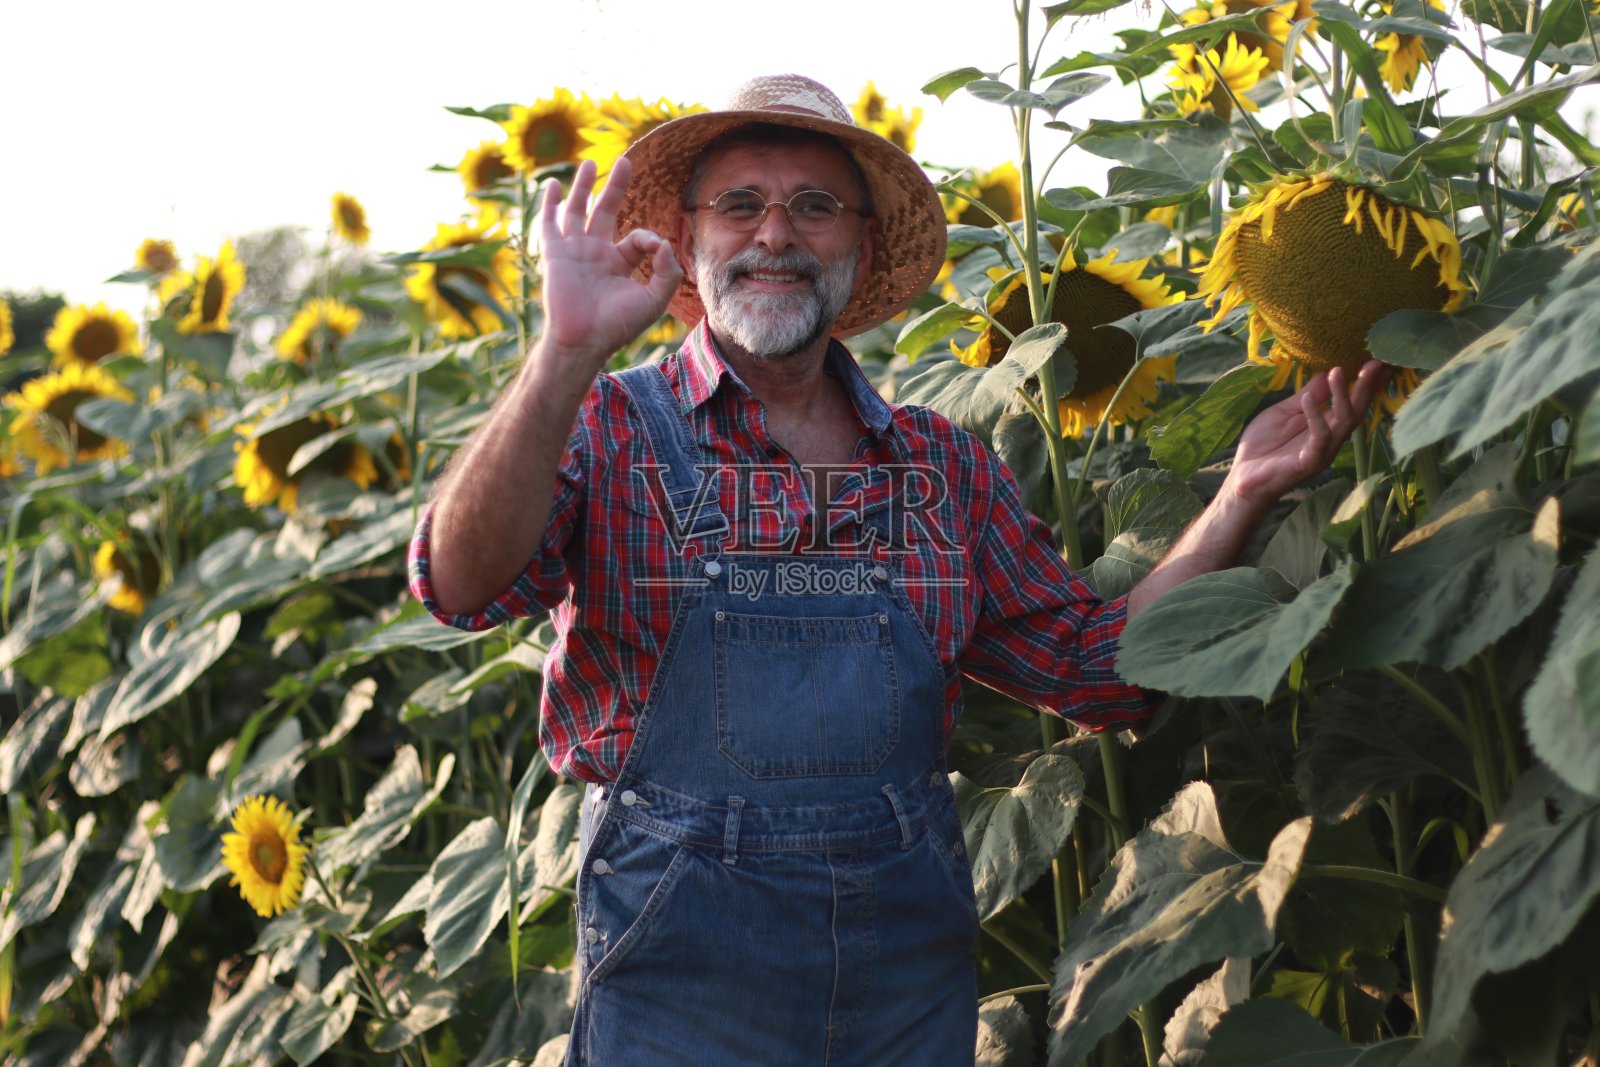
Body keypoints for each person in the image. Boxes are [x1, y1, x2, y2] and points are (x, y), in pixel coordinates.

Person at [408, 74, 1383, 1067]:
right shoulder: (609, 427)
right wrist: (561, 353)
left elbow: (1098, 670)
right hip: (682, 1000)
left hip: (906, 998)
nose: (775, 234)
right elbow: (460, 584)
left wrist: (1239, 493)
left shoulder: (941, 465)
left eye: (815, 205)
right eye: (739, 203)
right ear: (690, 253)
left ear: (862, 246)